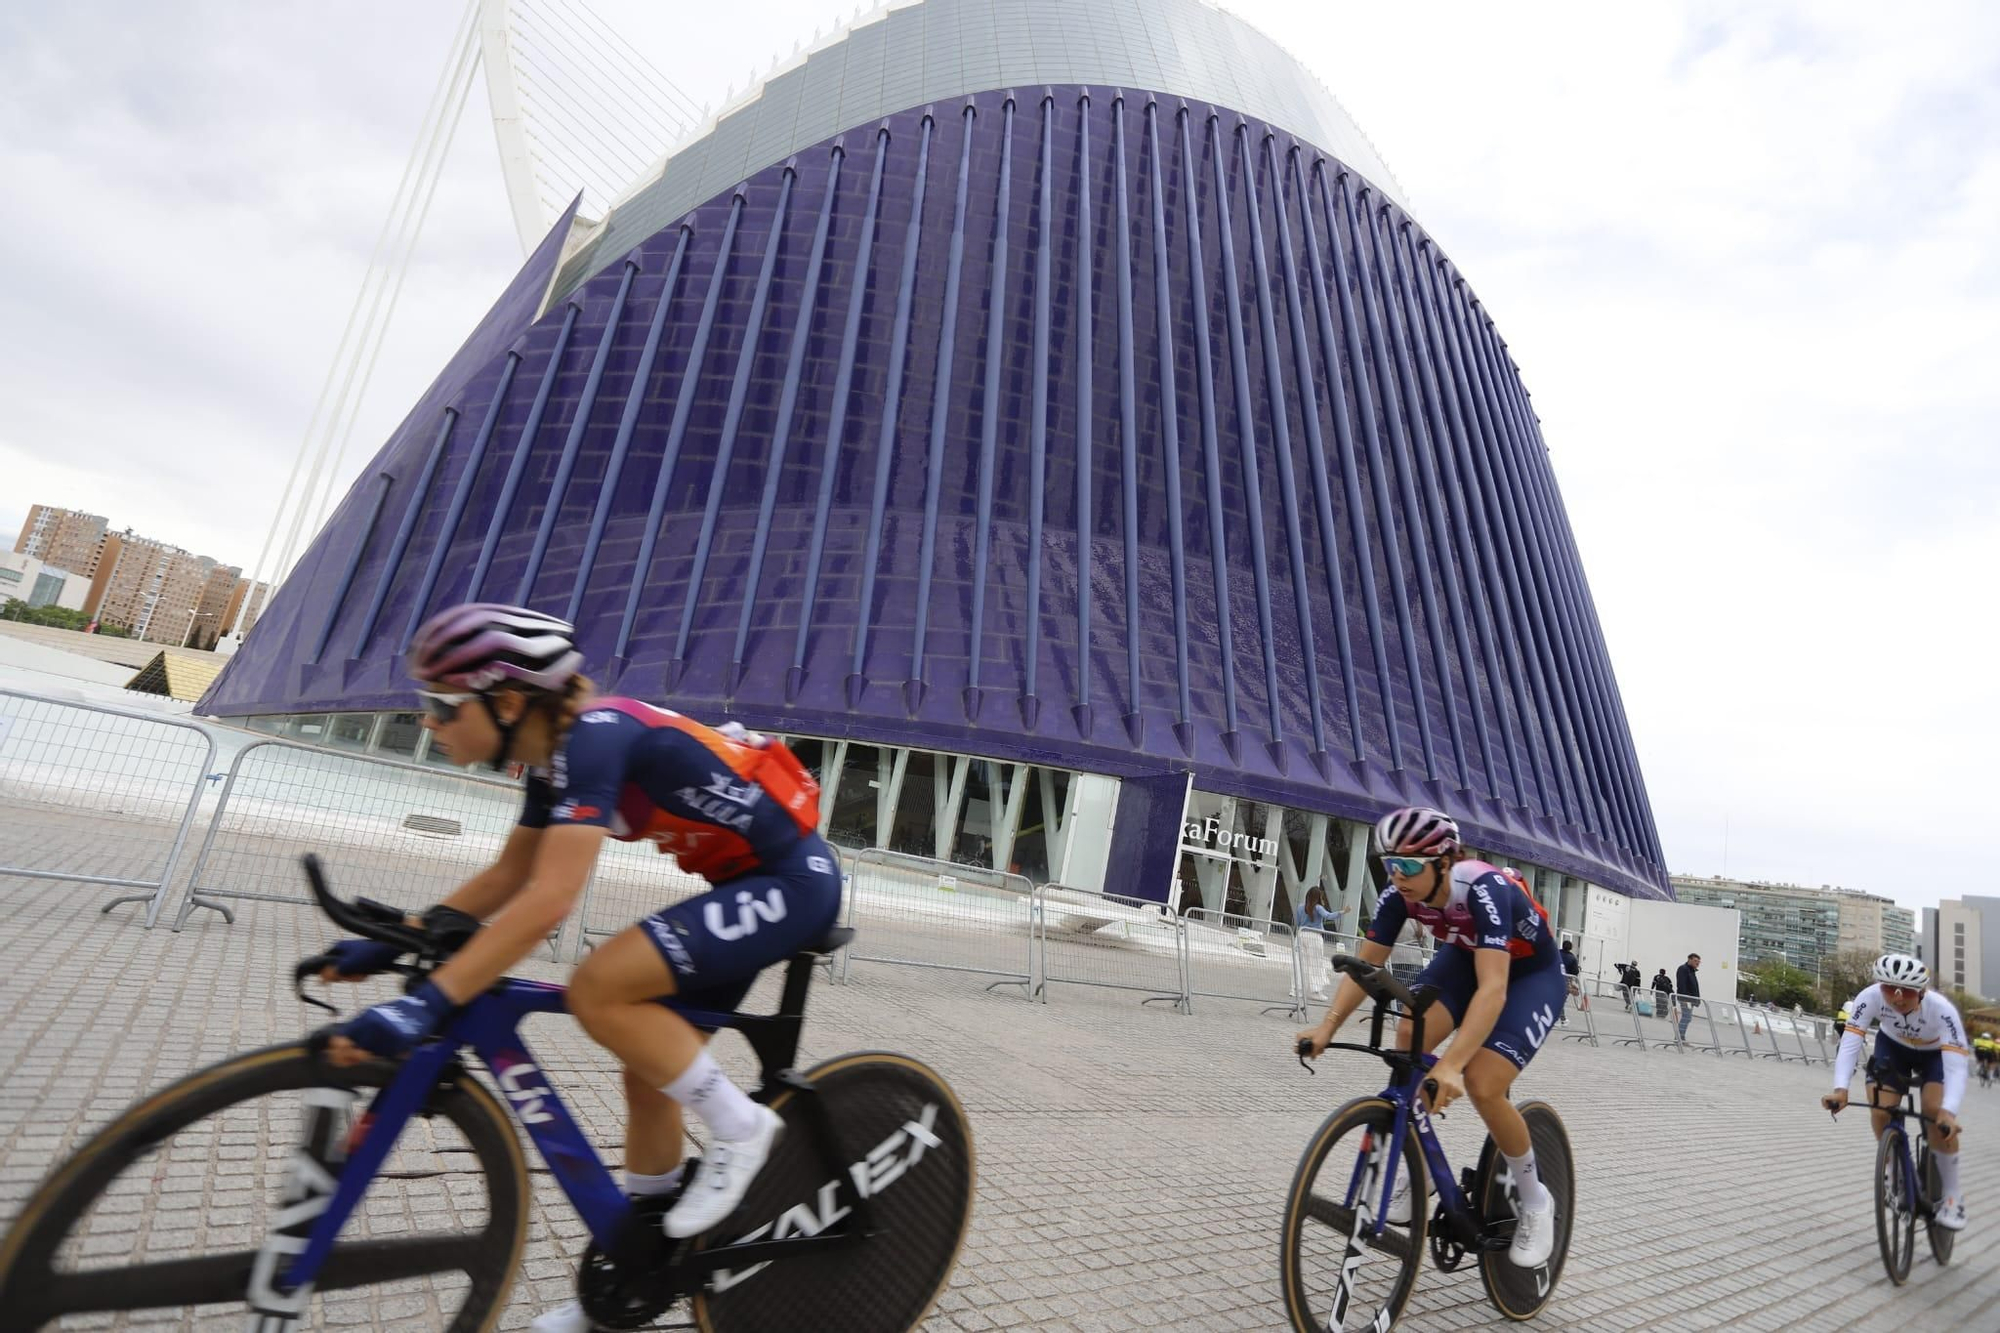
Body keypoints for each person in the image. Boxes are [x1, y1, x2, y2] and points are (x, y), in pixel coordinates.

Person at [315, 604, 845, 1332]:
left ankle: (741, 1126)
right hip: (744, 885)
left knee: (600, 986)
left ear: (506, 701)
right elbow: (508, 876)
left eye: (441, 704)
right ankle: (637, 1278)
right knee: (647, 1065)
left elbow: (548, 901)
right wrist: (399, 935)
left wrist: (424, 1004)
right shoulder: (550, 755)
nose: (429, 722)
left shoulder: (595, 738)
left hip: (794, 881)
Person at [1294, 806, 1565, 1268]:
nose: (1397, 875)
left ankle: (1535, 1199)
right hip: (1465, 959)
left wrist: (1452, 1065)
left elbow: (1494, 989)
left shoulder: (1484, 888)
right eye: (1390, 864)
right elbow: (1368, 966)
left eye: (1409, 865)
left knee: (1482, 1082)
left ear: (1444, 861)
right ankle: (1416, 1169)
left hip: (1527, 976)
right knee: (1407, 1033)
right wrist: (1327, 1026)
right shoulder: (1399, 892)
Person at [1820, 954, 1969, 1230]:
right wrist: (1840, 1089)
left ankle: (1952, 1196)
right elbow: (1851, 1041)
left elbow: (1957, 1067)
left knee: (1934, 1112)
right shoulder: (1870, 996)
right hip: (1893, 1048)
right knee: (1880, 1107)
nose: (1898, 998)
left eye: (1907, 992)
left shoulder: (1941, 1010)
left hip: (1934, 1056)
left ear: (1922, 992)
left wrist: (1949, 1112)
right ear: (1880, 987)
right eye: (1889, 989)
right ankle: (1895, 1169)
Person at [1675, 953, 1702, 1043]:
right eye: (1695, 961)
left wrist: (1696, 1000)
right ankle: (1679, 1037)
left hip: (1691, 999)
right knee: (1686, 1017)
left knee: (1687, 1017)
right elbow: (1681, 984)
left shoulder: (1692, 971)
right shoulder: (1683, 969)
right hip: (1685, 998)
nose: (1697, 963)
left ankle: (1680, 1037)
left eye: (1698, 962)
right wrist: (1685, 998)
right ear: (1689, 959)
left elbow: (1694, 987)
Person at [1558, 939, 1581, 1027]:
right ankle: (1562, 1020)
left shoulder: (1557, 953)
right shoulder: (1572, 958)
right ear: (1570, 948)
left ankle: (1560, 1019)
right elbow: (1575, 972)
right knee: (1561, 1001)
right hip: (1565, 980)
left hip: (1554, 978)